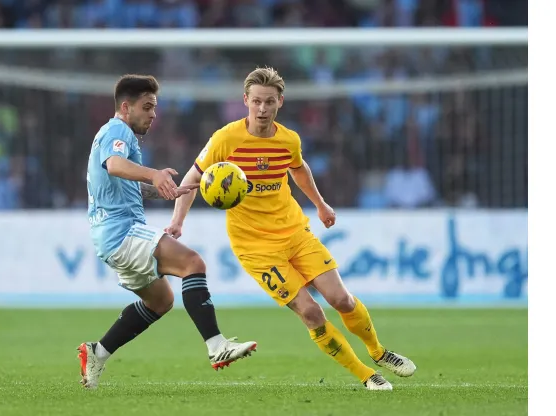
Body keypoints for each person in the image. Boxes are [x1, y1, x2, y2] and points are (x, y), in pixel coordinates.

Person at [166, 67, 416, 391]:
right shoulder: (224, 139)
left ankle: (379, 352)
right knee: (311, 313)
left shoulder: (288, 139)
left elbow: (298, 169)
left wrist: (321, 204)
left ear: (279, 102)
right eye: (256, 101)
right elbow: (192, 179)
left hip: (295, 233)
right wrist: (177, 221)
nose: (262, 109)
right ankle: (366, 375)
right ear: (245, 100)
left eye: (269, 102)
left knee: (342, 300)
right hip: (256, 248)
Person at [78, 74, 257, 390]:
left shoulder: (116, 135)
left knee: (160, 302)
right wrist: (154, 173)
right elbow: (115, 165)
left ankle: (97, 352)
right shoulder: (116, 130)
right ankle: (217, 346)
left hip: (111, 237)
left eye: (154, 107)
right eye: (147, 107)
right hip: (121, 232)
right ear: (125, 106)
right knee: (192, 263)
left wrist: (163, 190)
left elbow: (122, 184)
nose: (153, 114)